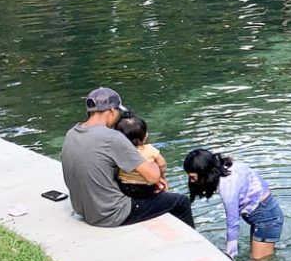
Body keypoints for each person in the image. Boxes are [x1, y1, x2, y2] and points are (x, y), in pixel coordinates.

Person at [61, 88, 194, 228]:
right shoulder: (112, 138)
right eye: (118, 112)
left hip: (85, 210)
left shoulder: (72, 134)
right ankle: (194, 248)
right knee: (181, 202)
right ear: (112, 111)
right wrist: (157, 168)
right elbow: (153, 177)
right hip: (110, 214)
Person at [183, 148, 283, 260]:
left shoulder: (226, 184)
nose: (191, 181)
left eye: (193, 177)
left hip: (266, 217)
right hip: (265, 211)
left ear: (205, 172)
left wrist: (230, 254)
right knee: (257, 259)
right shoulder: (225, 167)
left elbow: (232, 221)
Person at [115, 114, 164, 200]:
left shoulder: (118, 152)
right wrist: (162, 176)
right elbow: (162, 164)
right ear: (145, 136)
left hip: (124, 187)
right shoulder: (150, 150)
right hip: (145, 188)